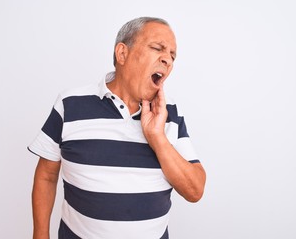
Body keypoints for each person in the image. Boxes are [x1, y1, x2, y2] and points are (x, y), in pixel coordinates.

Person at [28, 16, 206, 239]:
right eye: (157, 48)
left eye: (172, 56)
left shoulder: (171, 115)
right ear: (122, 53)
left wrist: (157, 137)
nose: (167, 60)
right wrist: (40, 235)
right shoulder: (70, 104)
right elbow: (46, 175)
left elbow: (195, 190)